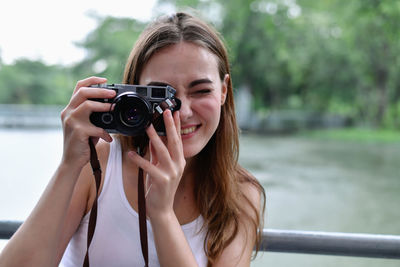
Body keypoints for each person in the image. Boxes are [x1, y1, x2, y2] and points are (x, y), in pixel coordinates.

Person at [0, 12, 265, 267]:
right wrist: (69, 165)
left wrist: (162, 215)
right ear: (132, 94)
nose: (182, 112)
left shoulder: (239, 193)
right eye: (162, 95)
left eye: (202, 90)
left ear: (223, 90)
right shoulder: (98, 164)